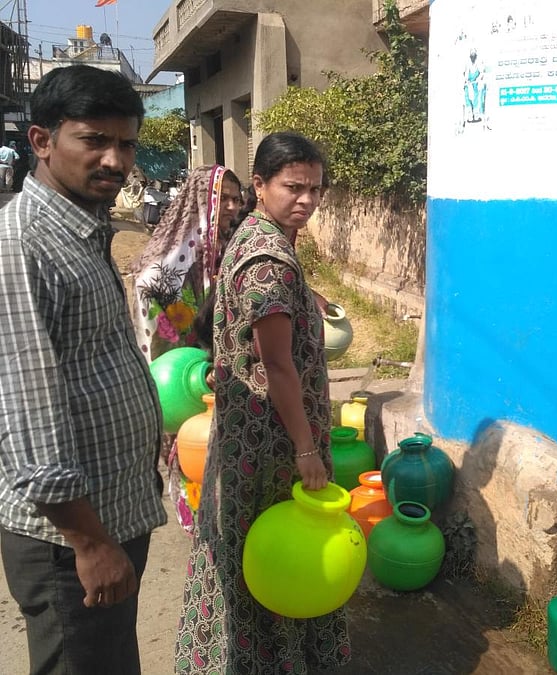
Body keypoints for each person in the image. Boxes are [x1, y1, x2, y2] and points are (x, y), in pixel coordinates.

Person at [0, 65, 166, 674]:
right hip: (69, 540)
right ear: (42, 141)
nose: (115, 160)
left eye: (125, 143)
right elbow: (28, 407)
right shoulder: (21, 245)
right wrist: (90, 543)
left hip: (112, 513)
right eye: (94, 140)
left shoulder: (83, 227)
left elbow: (94, 358)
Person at [175, 132, 350, 673]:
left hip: (245, 430)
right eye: (293, 187)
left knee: (238, 549)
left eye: (317, 190)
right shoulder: (269, 259)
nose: (308, 200)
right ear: (259, 184)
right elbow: (276, 365)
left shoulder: (253, 232)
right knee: (277, 553)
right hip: (270, 441)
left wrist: (310, 299)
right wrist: (305, 448)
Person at [131, 164, 244, 533]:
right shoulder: (182, 247)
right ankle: (198, 521)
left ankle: (219, 515)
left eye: (235, 198)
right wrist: (190, 327)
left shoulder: (225, 241)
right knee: (191, 437)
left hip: (214, 360)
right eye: (222, 198)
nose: (231, 206)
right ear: (201, 200)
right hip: (186, 366)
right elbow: (148, 283)